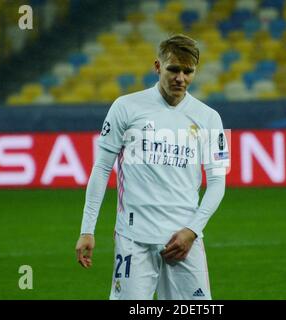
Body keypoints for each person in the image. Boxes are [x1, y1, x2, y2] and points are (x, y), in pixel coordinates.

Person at [75, 34, 229, 300]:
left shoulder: (209, 117)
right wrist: (87, 230)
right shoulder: (125, 107)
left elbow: (217, 182)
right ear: (157, 66)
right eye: (173, 69)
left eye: (187, 71)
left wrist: (192, 231)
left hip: (184, 241)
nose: (180, 77)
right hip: (134, 239)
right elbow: (101, 169)